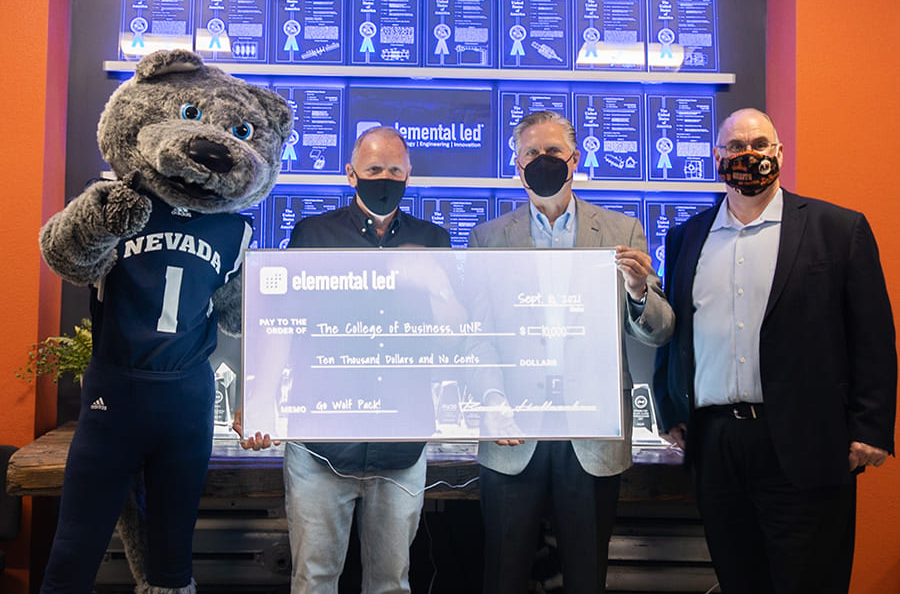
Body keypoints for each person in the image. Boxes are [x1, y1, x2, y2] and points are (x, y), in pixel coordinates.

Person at [653, 107, 897, 594]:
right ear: (716, 157)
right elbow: (679, 333)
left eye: (761, 144)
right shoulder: (686, 237)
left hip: (808, 443)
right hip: (718, 446)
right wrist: (671, 408)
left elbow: (873, 336)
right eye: (735, 146)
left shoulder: (837, 229)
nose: (749, 154)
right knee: (739, 579)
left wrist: (870, 428)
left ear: (779, 153)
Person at [235, 125, 453, 594]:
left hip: (401, 446)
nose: (385, 178)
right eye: (374, 169)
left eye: (395, 170)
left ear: (409, 175)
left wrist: (434, 282)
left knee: (391, 584)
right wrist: (259, 399)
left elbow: (454, 332)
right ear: (351, 175)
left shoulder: (433, 241)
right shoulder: (312, 235)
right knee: (314, 580)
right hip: (320, 447)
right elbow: (282, 326)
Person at [467, 110, 675, 594]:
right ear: (516, 166)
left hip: (592, 432)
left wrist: (640, 291)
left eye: (553, 152)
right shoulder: (488, 238)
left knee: (586, 579)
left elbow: (659, 332)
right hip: (513, 435)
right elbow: (476, 336)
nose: (543, 161)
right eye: (531, 154)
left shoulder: (622, 232)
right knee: (504, 577)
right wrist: (491, 404)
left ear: (574, 159)